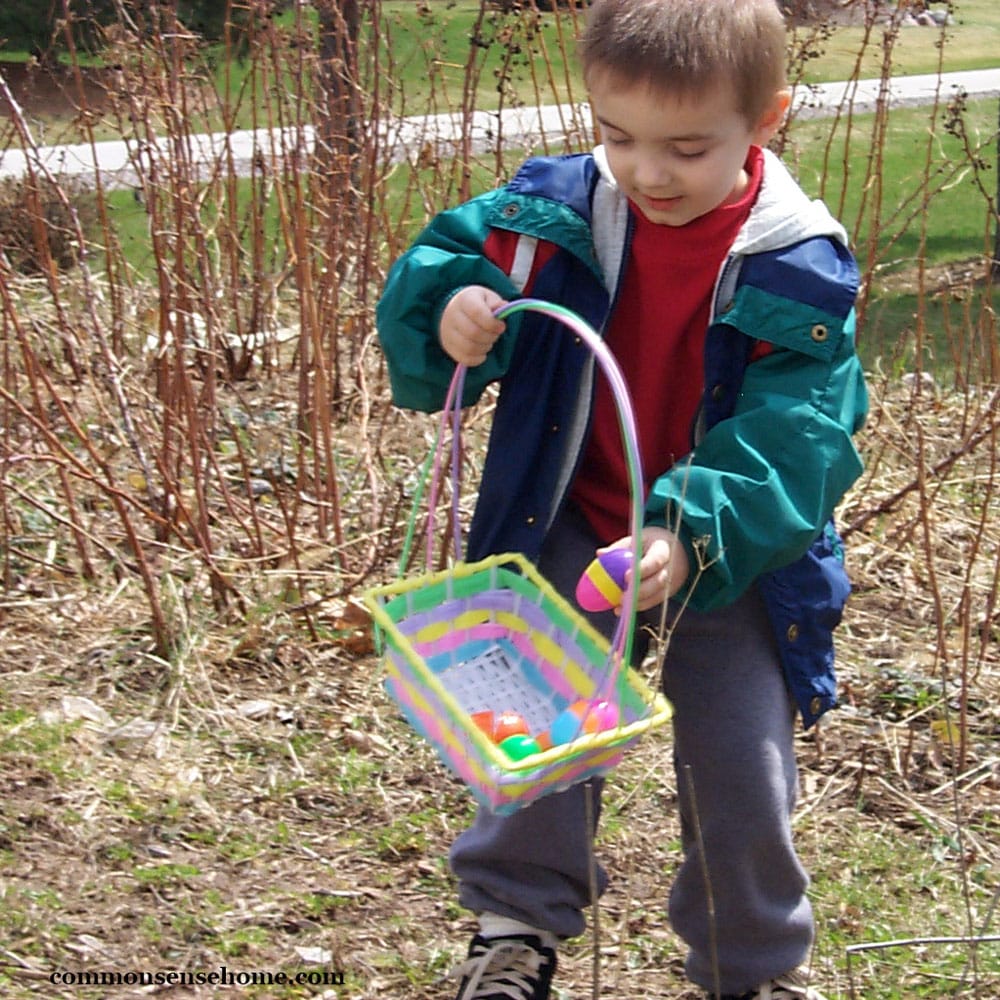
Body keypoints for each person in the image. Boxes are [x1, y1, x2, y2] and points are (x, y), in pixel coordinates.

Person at [375, 0, 868, 997]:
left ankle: (754, 967)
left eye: (687, 147)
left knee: (739, 764)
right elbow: (440, 274)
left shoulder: (800, 265)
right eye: (617, 136)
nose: (646, 171)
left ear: (764, 119)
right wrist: (457, 312)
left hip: (727, 554)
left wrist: (688, 532)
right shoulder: (553, 212)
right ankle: (514, 926)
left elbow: (798, 439)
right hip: (567, 515)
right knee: (537, 733)